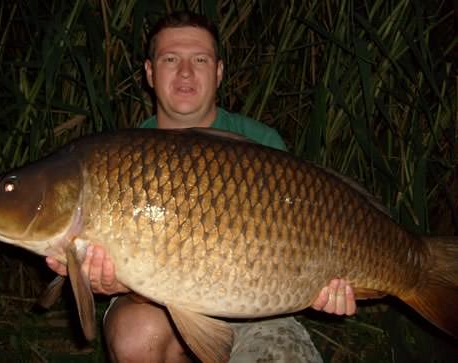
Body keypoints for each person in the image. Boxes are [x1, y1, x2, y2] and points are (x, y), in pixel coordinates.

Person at [47, 11, 356, 362]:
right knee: (136, 335)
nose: (185, 72)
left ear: (219, 71)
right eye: (170, 59)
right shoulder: (120, 158)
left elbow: (301, 253)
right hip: (158, 308)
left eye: (200, 59)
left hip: (256, 308)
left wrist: (326, 284)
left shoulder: (262, 142)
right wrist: (120, 284)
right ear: (149, 72)